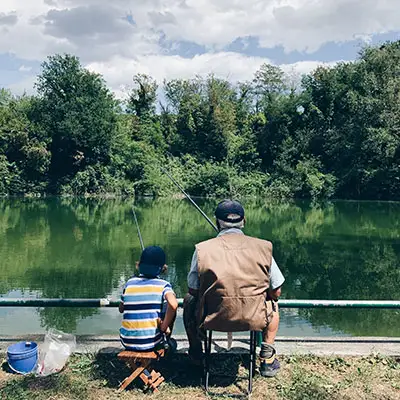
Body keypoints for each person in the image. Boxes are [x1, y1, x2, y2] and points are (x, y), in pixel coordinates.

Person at [183, 200, 285, 377]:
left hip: (211, 318)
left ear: (217, 222)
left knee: (188, 300)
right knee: (273, 304)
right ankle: (267, 358)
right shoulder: (263, 247)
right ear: (244, 221)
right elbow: (276, 291)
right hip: (254, 318)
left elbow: (193, 289)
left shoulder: (202, 249)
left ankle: (196, 354)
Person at [119, 246, 178, 352]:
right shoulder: (164, 285)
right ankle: (165, 346)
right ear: (162, 268)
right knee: (172, 343)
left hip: (126, 341)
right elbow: (173, 305)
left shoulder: (129, 283)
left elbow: (121, 309)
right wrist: (164, 327)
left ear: (140, 265)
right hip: (151, 343)